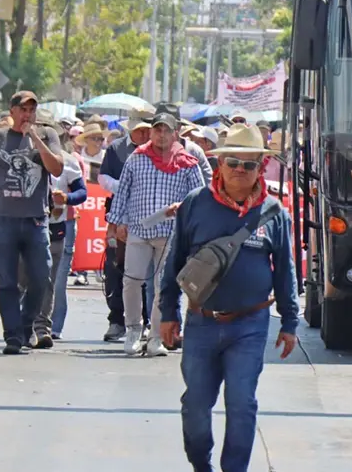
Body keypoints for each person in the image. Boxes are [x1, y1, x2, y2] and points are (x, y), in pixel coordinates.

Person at [159, 123, 299, 472]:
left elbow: (285, 270)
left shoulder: (274, 213)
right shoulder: (195, 204)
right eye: (233, 161)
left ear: (261, 168)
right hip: (201, 322)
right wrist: (167, 313)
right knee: (196, 405)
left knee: (242, 404)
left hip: (250, 325)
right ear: (219, 164)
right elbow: (174, 262)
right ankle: (200, 464)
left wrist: (290, 322)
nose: (240, 169)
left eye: (248, 164)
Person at [106, 103, 205, 357]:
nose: (161, 135)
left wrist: (182, 207)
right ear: (151, 132)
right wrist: (116, 223)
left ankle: (155, 338)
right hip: (138, 229)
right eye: (157, 130)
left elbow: (199, 198)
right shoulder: (136, 158)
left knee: (163, 286)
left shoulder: (187, 162)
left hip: (170, 233)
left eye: (166, 130)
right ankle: (133, 329)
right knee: (131, 281)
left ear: (175, 133)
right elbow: (123, 193)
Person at [0, 91, 65, 355]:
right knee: (7, 281)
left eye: (32, 110)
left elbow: (56, 168)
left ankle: (26, 324)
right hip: (5, 221)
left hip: (36, 221)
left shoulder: (47, 135)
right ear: (12, 111)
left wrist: (34, 137)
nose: (27, 115)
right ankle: (12, 335)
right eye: (23, 109)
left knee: (41, 276)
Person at [22, 126, 87, 344]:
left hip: (55, 228)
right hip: (26, 225)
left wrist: (66, 198)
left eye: (48, 138)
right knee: (25, 279)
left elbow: (82, 192)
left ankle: (43, 328)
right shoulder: (21, 158)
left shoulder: (68, 162)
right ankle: (25, 324)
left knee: (48, 280)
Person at [98, 109, 152, 340]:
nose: (144, 134)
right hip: (119, 216)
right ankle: (117, 320)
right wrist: (125, 186)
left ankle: (147, 320)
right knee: (116, 268)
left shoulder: (157, 151)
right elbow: (103, 178)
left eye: (147, 130)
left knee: (148, 272)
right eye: (140, 130)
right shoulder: (116, 149)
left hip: (148, 217)